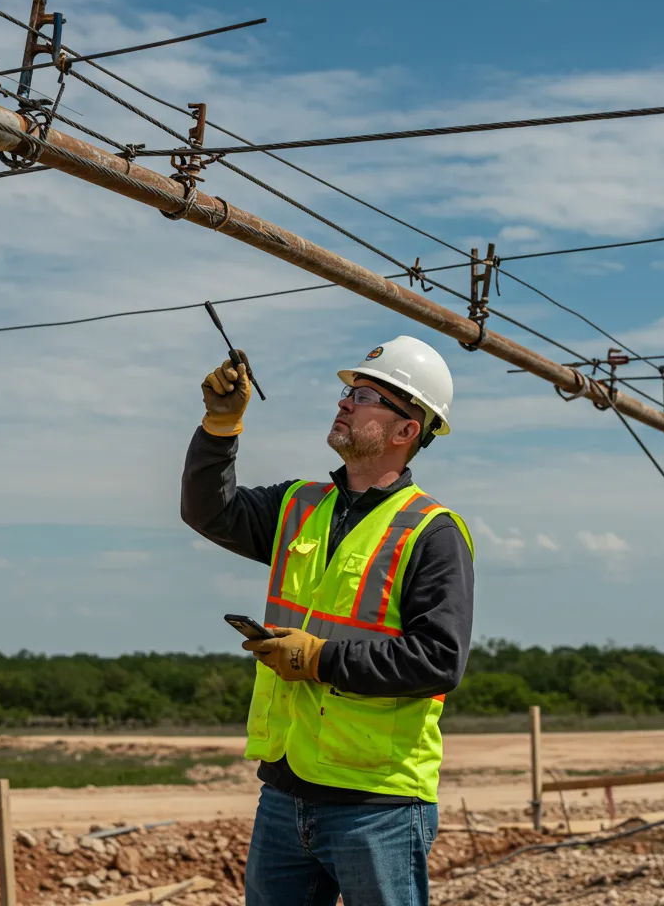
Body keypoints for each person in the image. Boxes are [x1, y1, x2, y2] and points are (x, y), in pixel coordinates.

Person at [180, 335, 475, 906]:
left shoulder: (432, 532)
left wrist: (319, 659)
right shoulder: (297, 505)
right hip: (286, 795)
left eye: (364, 395)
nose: (344, 402)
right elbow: (207, 510)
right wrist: (220, 427)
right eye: (347, 391)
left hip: (378, 804)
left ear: (405, 430)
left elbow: (439, 660)